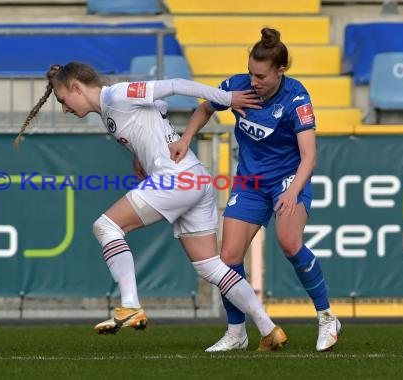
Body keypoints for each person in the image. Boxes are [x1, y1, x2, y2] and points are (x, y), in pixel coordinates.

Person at [15, 61, 287, 352]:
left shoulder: (117, 95)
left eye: (62, 100)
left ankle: (130, 304)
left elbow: (176, 85)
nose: (64, 108)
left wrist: (227, 99)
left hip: (177, 179)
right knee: (210, 266)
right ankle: (269, 330)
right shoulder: (110, 111)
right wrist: (140, 157)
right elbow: (157, 110)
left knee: (106, 226)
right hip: (194, 177)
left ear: (76, 87)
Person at [168, 27, 341, 352]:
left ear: (281, 71)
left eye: (260, 75)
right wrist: (186, 137)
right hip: (250, 182)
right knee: (228, 257)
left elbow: (309, 156)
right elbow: (206, 107)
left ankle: (327, 316)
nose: (254, 80)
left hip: (288, 179)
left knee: (290, 244)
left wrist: (292, 192)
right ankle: (237, 332)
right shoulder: (237, 86)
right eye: (250, 72)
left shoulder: (296, 98)